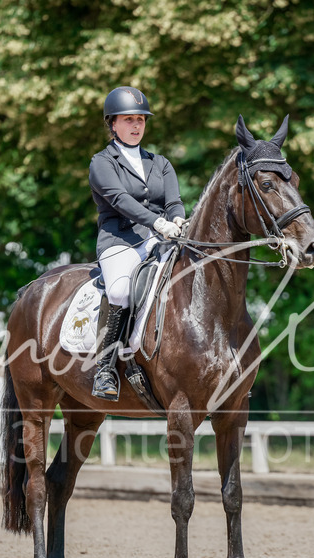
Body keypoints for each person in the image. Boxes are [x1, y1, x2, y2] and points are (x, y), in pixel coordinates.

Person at [88, 86, 186, 400]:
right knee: (119, 290)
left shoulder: (161, 163)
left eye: (141, 120)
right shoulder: (102, 162)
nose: (136, 125)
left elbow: (174, 202)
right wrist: (157, 223)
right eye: (128, 119)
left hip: (160, 239)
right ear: (112, 124)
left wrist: (179, 219)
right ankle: (105, 368)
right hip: (120, 240)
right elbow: (119, 200)